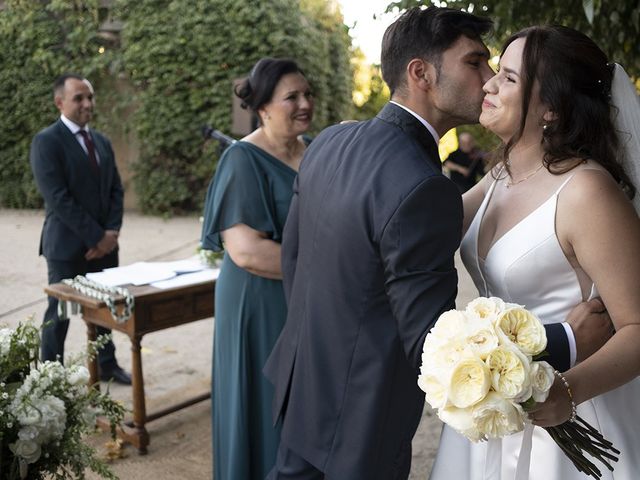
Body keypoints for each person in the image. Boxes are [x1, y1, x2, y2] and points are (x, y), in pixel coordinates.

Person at [263, 8, 609, 479]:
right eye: (475, 63)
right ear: (421, 73)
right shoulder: (421, 185)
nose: (487, 81)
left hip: (301, 392)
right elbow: (432, 343)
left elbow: (296, 260)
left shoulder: (330, 142)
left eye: (498, 72)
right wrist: (565, 340)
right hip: (359, 421)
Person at [430, 25, 640, 480]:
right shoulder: (501, 175)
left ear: (551, 109)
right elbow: (423, 232)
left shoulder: (587, 192)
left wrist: (566, 390)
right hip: (493, 413)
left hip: (571, 416)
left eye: (507, 78)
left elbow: (637, 328)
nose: (487, 83)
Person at [200, 58, 314, 480]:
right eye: (292, 97)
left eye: (307, 94)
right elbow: (246, 251)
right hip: (257, 300)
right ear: (264, 106)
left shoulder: (317, 150)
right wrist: (327, 272)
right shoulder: (241, 159)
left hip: (303, 297)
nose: (305, 103)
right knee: (263, 402)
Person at [30, 73, 131, 385]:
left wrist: (111, 233)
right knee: (60, 313)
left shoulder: (101, 140)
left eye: (90, 96)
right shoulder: (46, 142)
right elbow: (58, 199)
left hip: (104, 244)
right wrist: (96, 237)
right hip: (66, 246)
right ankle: (50, 376)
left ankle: (106, 365)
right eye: (79, 98)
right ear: (60, 102)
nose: (87, 103)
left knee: (103, 308)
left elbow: (116, 188)